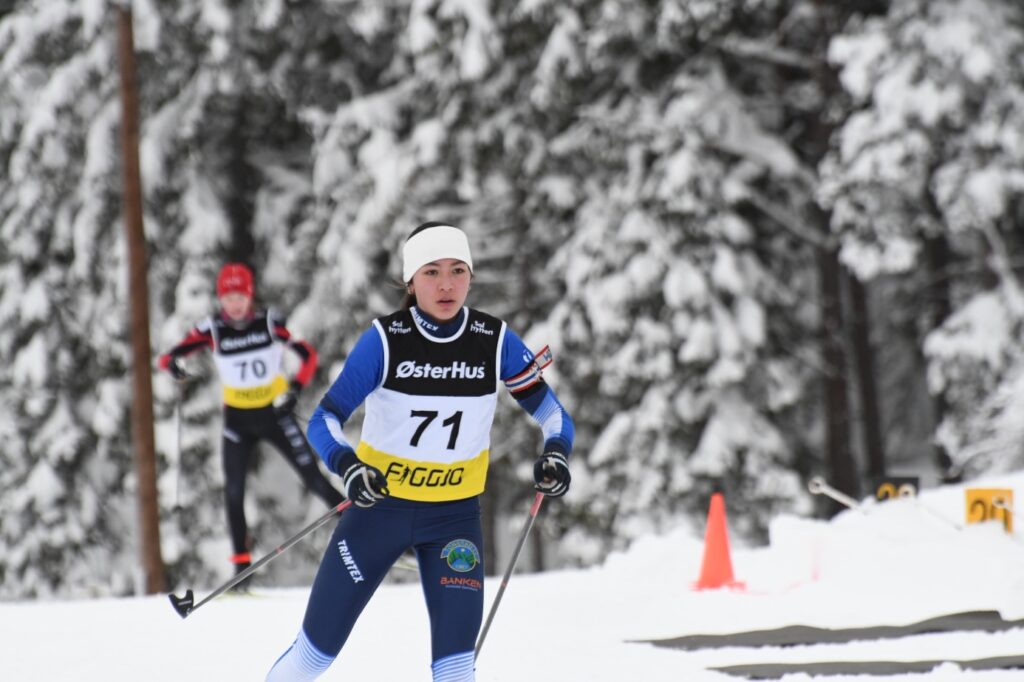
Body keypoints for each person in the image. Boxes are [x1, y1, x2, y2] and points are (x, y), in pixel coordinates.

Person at [265, 222, 575, 682]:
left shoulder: (494, 341)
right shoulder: (386, 340)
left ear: (471, 276)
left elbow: (554, 416)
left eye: (457, 270)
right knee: (312, 659)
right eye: (431, 272)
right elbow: (323, 419)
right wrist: (348, 467)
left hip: (454, 520)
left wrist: (556, 453)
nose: (446, 284)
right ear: (411, 282)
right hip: (378, 512)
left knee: (455, 671)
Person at [158, 262, 345, 579]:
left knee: (314, 478)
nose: (234, 305)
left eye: (240, 297)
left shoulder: (269, 323)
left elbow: (307, 356)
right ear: (221, 300)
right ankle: (241, 567)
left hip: (274, 414)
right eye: (228, 298)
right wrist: (174, 366)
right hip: (237, 422)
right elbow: (168, 357)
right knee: (234, 492)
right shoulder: (213, 329)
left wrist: (294, 391)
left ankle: (365, 529)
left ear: (250, 296)